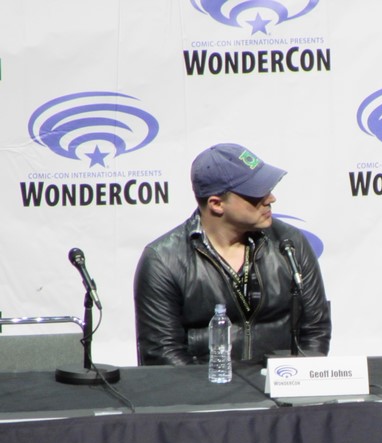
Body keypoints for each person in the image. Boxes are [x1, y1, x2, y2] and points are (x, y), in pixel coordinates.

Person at [134, 142, 331, 365]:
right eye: (256, 193)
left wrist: (293, 379)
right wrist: (219, 386)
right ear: (217, 204)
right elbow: (163, 353)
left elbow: (315, 330)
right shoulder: (163, 260)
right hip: (205, 386)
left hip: (279, 383)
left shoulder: (290, 244)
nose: (270, 198)